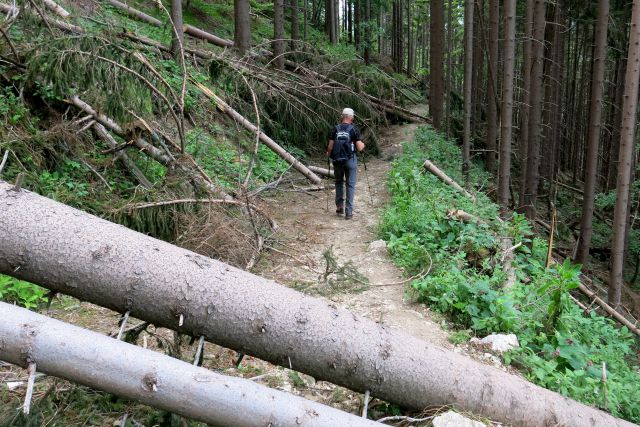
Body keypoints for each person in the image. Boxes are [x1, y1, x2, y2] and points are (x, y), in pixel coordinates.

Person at [326, 108, 365, 220]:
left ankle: (339, 207)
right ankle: (349, 212)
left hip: (337, 160)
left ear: (342, 116)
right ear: (351, 118)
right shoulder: (353, 129)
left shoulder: (335, 129)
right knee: (350, 185)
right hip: (350, 160)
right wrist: (363, 145)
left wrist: (328, 156)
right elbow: (359, 147)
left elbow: (330, 147)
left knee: (338, 182)